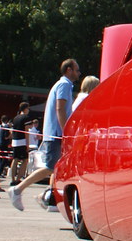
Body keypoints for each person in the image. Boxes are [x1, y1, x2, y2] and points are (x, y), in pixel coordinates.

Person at [9, 58, 80, 211]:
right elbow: (60, 109)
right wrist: (65, 130)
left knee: (56, 168)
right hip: (56, 134)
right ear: (69, 70)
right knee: (50, 167)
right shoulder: (64, 85)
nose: (79, 73)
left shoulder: (63, 84)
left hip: (54, 133)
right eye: (77, 70)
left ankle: (47, 197)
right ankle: (19, 190)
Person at [9, 102, 32, 185]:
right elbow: (26, 131)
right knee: (25, 160)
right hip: (22, 141)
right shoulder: (26, 118)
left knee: (15, 159)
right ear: (25, 109)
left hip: (15, 141)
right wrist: (27, 144)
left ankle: (12, 179)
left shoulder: (15, 118)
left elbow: (11, 130)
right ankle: (18, 178)